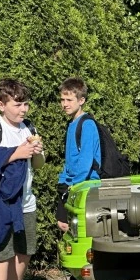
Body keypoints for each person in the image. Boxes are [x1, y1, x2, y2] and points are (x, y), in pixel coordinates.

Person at [0, 79, 43, 280]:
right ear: (2, 105)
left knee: (25, 249)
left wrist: (37, 153)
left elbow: (38, 166)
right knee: (2, 253)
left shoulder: (28, 128)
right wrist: (17, 153)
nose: (23, 109)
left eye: (26, 104)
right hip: (2, 201)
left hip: (26, 201)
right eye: (17, 104)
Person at [56, 77, 100, 232]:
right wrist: (62, 184)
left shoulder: (87, 124)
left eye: (69, 100)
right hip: (73, 188)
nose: (65, 104)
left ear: (81, 100)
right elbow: (69, 162)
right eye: (62, 99)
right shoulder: (72, 124)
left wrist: (72, 188)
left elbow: (85, 163)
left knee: (82, 237)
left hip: (86, 188)